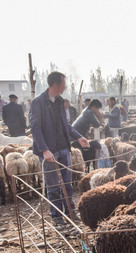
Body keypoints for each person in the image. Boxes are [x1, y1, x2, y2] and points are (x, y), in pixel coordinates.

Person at [29, 71, 89, 225]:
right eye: (64, 83)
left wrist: (78, 137)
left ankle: (70, 212)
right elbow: (35, 128)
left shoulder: (60, 101)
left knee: (67, 184)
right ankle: (56, 215)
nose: (66, 86)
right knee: (53, 185)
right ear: (56, 84)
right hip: (49, 151)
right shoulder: (38, 102)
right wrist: (44, 150)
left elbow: (66, 125)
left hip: (63, 148)